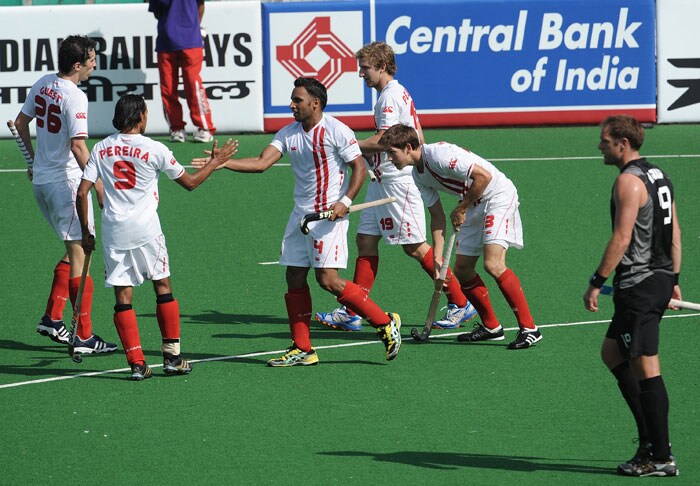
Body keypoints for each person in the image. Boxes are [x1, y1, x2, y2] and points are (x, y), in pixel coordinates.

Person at [193, 77, 401, 366]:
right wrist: (222, 163)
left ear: (315, 103)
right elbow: (261, 163)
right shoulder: (288, 133)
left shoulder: (337, 131)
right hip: (300, 216)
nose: (292, 105)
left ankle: (384, 323)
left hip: (328, 217)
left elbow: (359, 168)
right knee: (294, 276)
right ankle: (303, 348)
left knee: (328, 280)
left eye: (297, 100)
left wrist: (345, 202)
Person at [315, 41, 476, 332]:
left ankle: (460, 302)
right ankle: (353, 309)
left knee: (415, 247)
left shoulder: (389, 97)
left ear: (382, 66)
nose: (361, 73)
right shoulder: (391, 93)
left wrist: (347, 146)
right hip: (381, 181)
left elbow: (385, 140)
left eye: (365, 68)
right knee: (365, 240)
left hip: (397, 183)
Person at [75, 94, 237, 380]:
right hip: (147, 230)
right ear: (139, 117)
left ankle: (137, 363)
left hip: (115, 232)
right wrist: (215, 162)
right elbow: (190, 183)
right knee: (162, 286)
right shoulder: (154, 148)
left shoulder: (101, 148)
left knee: (123, 297)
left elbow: (82, 192)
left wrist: (87, 231)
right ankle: (172, 357)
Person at [378, 124, 541, 350]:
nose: (389, 158)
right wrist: (438, 261)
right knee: (463, 270)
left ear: (407, 148)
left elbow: (483, 177)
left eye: (391, 153)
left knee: (493, 264)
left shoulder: (440, 155)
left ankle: (530, 329)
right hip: (471, 203)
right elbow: (437, 217)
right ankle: (492, 327)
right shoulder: (418, 175)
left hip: (497, 196)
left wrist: (462, 207)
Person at [583, 115, 681, 477]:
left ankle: (659, 454)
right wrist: (673, 277)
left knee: (646, 366)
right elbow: (675, 231)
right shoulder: (658, 176)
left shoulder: (628, 181)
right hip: (658, 277)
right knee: (612, 353)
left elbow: (622, 239)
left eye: (605, 140)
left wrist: (597, 280)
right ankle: (649, 441)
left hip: (638, 284)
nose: (600, 146)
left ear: (623, 143)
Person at [13, 35, 117, 356]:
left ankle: (52, 318)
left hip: (42, 184)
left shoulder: (43, 83)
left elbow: (19, 123)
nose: (95, 64)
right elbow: (78, 146)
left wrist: (32, 162)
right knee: (82, 253)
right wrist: (98, 185)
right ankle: (83, 335)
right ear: (77, 65)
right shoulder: (75, 97)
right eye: (91, 60)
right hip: (66, 185)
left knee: (73, 250)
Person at [148, 0, 216, 143]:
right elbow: (157, 11)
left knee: (193, 85)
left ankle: (204, 127)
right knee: (168, 89)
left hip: (189, 41)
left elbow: (201, 4)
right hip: (166, 42)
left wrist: (195, 27)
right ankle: (176, 128)